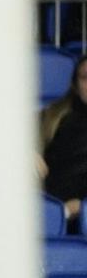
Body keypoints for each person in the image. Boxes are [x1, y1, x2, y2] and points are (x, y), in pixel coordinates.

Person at [41, 54, 87, 229]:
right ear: (75, 86)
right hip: (50, 204)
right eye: (85, 78)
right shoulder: (51, 117)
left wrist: (81, 204)